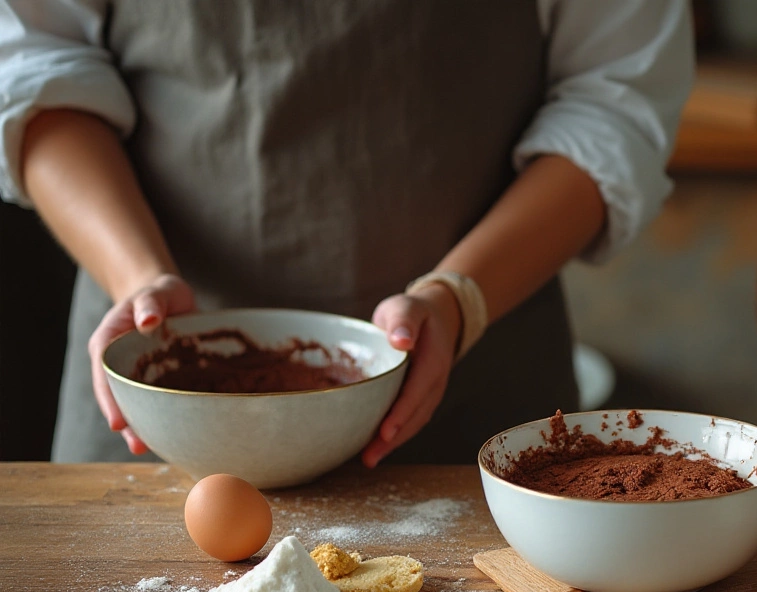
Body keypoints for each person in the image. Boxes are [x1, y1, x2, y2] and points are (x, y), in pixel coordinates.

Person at [0, 1, 694, 465]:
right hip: (155, 390)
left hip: (469, 385)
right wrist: (136, 280)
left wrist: (458, 300)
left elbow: (613, 104)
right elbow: (32, 60)